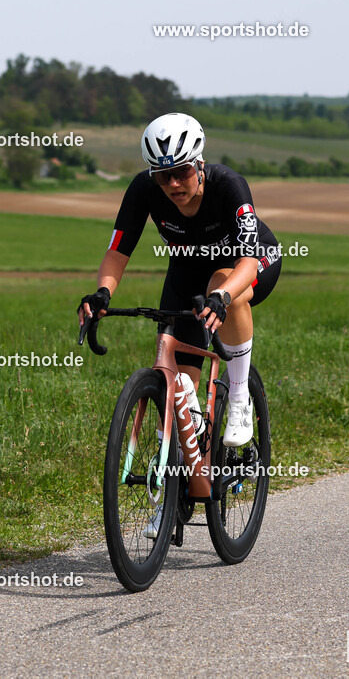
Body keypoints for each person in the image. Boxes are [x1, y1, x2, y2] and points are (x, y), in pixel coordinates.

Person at [78, 112, 281, 531]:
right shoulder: (143, 190)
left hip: (248, 261)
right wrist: (102, 294)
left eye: (182, 172)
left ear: (200, 164)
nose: (172, 184)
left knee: (228, 288)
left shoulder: (229, 186)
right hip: (187, 268)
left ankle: (239, 397)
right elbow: (119, 250)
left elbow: (246, 259)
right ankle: (175, 496)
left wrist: (223, 297)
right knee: (177, 388)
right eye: (162, 175)